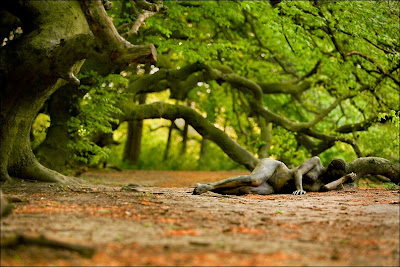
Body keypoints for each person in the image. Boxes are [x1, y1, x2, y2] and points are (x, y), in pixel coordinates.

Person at [193, 156, 356, 196]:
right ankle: (211, 185)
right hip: (275, 169)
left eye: (338, 176)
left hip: (275, 188)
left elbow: (327, 188)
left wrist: (344, 180)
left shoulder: (322, 185)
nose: (335, 177)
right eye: (336, 174)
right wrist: (299, 189)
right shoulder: (316, 162)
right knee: (254, 180)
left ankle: (209, 190)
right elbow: (299, 171)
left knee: (248, 190)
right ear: (331, 167)